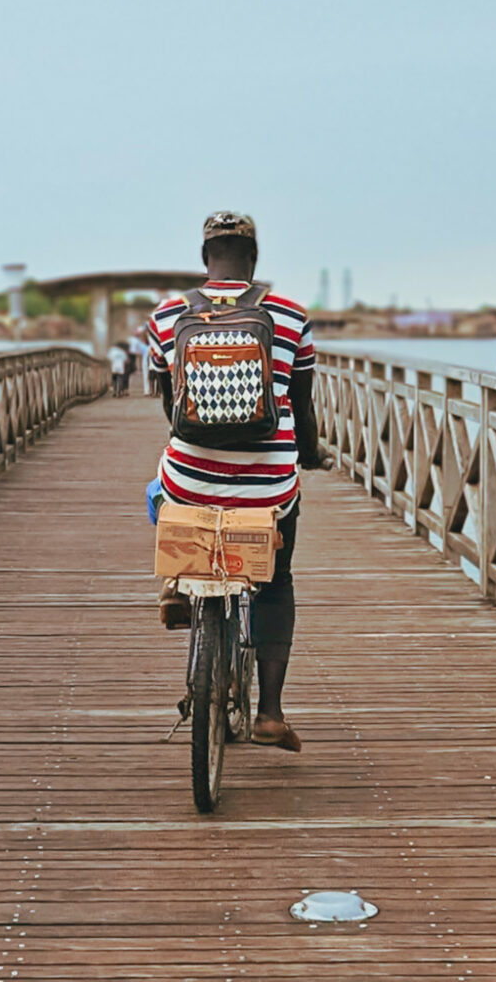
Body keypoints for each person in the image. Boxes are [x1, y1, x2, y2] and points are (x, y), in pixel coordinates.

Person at [148, 211, 330, 752]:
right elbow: (301, 406)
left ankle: (178, 581)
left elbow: (169, 404)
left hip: (191, 481)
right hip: (269, 487)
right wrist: (310, 456)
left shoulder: (167, 316)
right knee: (277, 580)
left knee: (157, 488)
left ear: (205, 259)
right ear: (254, 259)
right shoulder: (291, 316)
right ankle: (270, 713)